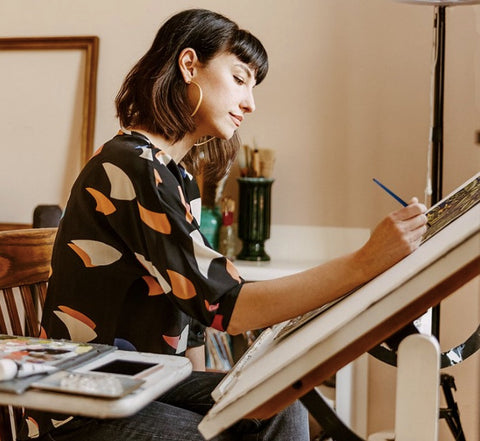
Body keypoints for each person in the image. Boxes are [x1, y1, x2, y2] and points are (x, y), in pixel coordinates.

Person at [17, 8, 428, 441]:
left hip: (145, 382)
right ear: (189, 64)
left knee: (278, 404)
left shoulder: (175, 177)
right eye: (239, 78)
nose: (250, 103)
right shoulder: (132, 166)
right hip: (80, 406)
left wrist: (217, 396)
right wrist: (366, 261)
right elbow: (224, 306)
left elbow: (191, 322)